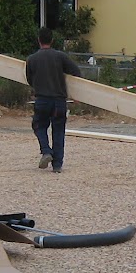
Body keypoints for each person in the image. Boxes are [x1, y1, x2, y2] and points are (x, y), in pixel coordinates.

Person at [24, 27, 81, 173]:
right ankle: (57, 165)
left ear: (39, 40)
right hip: (59, 101)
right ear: (52, 40)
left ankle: (46, 151)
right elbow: (76, 72)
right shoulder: (60, 56)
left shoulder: (32, 59)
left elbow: (30, 80)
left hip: (42, 100)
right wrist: (77, 94)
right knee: (59, 131)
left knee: (39, 126)